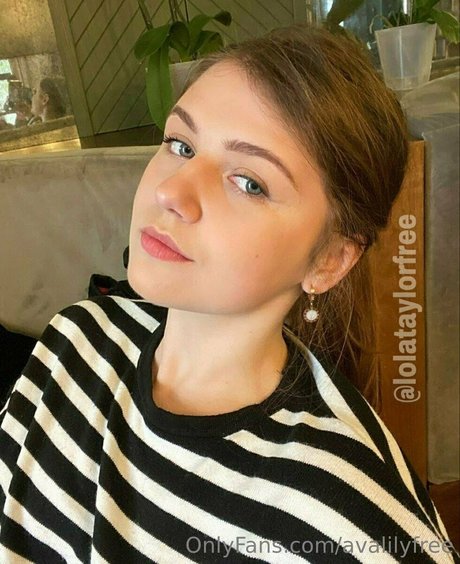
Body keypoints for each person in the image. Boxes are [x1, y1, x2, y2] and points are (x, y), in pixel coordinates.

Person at [0, 25, 458, 563]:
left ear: (330, 260)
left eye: (249, 182)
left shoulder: (353, 515)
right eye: (181, 145)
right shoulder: (77, 338)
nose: (170, 191)